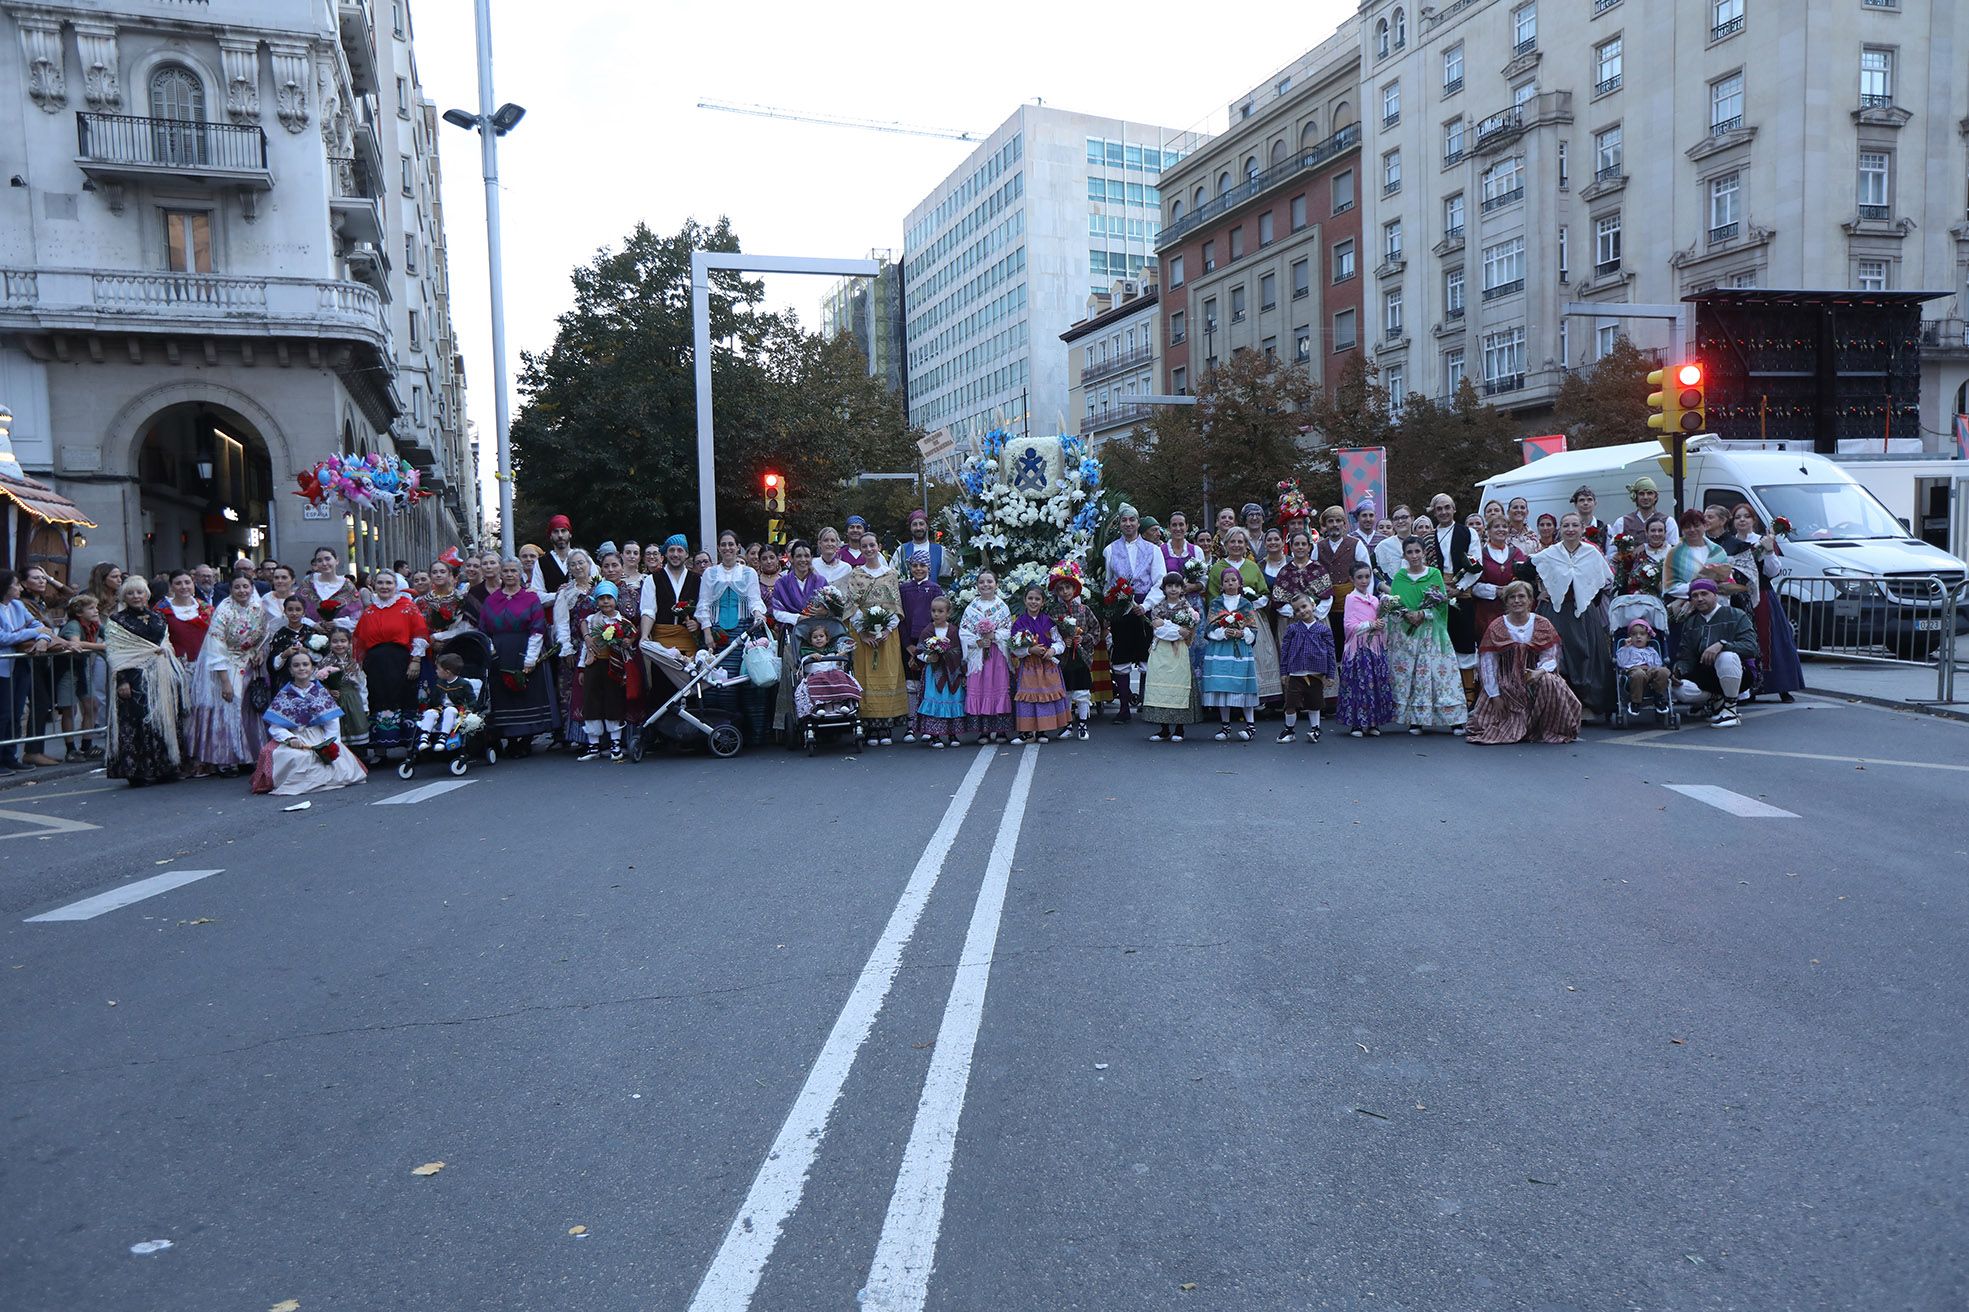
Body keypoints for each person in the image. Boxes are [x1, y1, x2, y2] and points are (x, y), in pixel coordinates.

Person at [1466, 580, 1583, 745]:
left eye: (1521, 596)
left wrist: (1539, 672)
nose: (1517, 600)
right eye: (1512, 597)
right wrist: (1494, 696)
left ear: (1530, 600)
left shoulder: (1542, 624)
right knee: (1486, 724)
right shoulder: (1497, 626)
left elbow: (1551, 656)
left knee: (1549, 681)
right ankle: (1519, 723)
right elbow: (1488, 664)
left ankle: (1546, 725)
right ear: (1506, 601)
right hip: (1507, 680)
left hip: (1535, 677)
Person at [102, 577, 186, 786]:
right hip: (134, 677)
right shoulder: (117, 620)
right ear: (124, 597)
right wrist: (122, 681)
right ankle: (138, 772)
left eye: (139, 592)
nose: (136, 597)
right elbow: (116, 653)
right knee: (137, 721)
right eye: (130, 593)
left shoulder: (157, 617)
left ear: (146, 594)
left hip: (161, 675)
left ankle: (166, 767)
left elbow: (166, 643)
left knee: (163, 720)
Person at [1531, 511, 1617, 715]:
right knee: (1557, 656)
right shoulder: (1550, 553)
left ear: (1582, 529)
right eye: (1566, 525)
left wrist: (1588, 590)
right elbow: (1525, 569)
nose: (1570, 529)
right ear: (1560, 529)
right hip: (1556, 611)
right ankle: (1558, 703)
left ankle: (1587, 703)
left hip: (1584, 612)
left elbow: (1607, 579)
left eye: (1574, 525)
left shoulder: (1592, 553)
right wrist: (1539, 592)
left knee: (1587, 654)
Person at [251, 648, 368, 795]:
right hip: (295, 737)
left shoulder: (320, 692)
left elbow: (332, 721)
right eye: (296, 665)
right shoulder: (285, 694)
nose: (301, 668)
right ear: (291, 670)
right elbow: (275, 727)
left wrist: (330, 743)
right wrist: (290, 738)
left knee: (335, 761)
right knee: (296, 757)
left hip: (319, 736)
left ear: (312, 668)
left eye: (305, 664)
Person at [185, 572, 268, 777]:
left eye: (245, 587)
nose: (242, 591)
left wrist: (259, 652)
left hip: (249, 662)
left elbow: (264, 636)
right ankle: (226, 758)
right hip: (226, 663)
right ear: (230, 589)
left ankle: (248, 755)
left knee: (249, 709)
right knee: (228, 707)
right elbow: (215, 646)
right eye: (237, 587)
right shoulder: (223, 610)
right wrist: (224, 682)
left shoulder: (258, 608)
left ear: (251, 588)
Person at [1386, 538, 1468, 735]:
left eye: (1417, 551)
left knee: (1440, 675)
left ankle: (1454, 720)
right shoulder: (1400, 578)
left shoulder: (1434, 574)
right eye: (1409, 552)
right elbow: (1393, 603)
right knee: (1411, 675)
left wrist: (1423, 614)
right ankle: (1415, 720)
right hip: (1407, 635)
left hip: (1432, 632)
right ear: (1404, 555)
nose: (1414, 556)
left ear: (1423, 553)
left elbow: (1441, 604)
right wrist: (1406, 614)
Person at [352, 567, 430, 763]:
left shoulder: (408, 607)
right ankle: (380, 750)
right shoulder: (369, 611)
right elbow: (359, 640)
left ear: (396, 586)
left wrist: (416, 660)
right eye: (380, 583)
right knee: (377, 701)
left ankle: (410, 746)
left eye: (389, 583)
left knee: (405, 700)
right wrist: (360, 665)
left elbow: (420, 633)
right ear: (374, 586)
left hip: (401, 661)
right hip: (376, 665)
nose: (384, 586)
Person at [1732, 502, 1804, 701]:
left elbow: (1773, 572)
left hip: (1762, 595)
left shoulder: (1762, 541)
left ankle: (1782, 686)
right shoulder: (1730, 544)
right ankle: (1748, 686)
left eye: (1746, 516)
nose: (1742, 520)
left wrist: (1769, 550)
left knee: (1771, 641)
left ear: (1753, 520)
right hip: (1739, 596)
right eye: (1738, 517)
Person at [483, 558, 551, 755]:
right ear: (501, 574)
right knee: (504, 696)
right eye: (506, 571)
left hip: (524, 650)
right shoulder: (491, 600)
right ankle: (511, 739)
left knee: (527, 694)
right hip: (500, 654)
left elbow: (538, 629)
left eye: (514, 570)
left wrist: (530, 659)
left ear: (520, 573)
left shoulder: (530, 599)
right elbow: (484, 629)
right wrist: (492, 652)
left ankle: (526, 740)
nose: (510, 574)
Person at [843, 532, 905, 743]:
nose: (869, 549)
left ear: (878, 546)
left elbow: (896, 604)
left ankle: (886, 727)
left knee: (887, 675)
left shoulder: (891, 574)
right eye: (864, 546)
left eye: (872, 545)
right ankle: (869, 726)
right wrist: (863, 630)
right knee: (865, 677)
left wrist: (887, 629)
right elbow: (851, 604)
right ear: (860, 549)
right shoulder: (856, 574)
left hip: (888, 634)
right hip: (864, 636)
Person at [1102, 504, 1160, 723]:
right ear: (1119, 523)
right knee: (1122, 656)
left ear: (1138, 522)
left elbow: (1159, 580)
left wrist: (1146, 606)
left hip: (1144, 607)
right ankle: (1124, 707)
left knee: (1147, 655)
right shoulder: (1109, 550)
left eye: (1132, 520)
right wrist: (1111, 607)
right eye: (1124, 520)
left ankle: (1148, 704)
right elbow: (1107, 583)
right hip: (1121, 609)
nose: (1128, 524)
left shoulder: (1153, 550)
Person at [1419, 493, 1479, 703]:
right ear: (1434, 512)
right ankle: (1443, 694)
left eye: (1447, 507)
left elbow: (1476, 566)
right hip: (1436, 593)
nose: (1443, 512)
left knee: (1464, 642)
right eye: (1439, 509)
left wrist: (1459, 587)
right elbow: (1422, 566)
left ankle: (1468, 694)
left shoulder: (1468, 533)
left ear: (1454, 509)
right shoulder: (1427, 538)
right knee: (1439, 645)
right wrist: (1438, 588)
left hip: (1462, 593)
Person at [1211, 527, 1281, 706]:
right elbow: (1212, 598)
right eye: (1232, 542)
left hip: (1251, 619)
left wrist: (1250, 603)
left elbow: (1264, 593)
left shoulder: (1252, 566)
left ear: (1246, 545)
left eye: (1240, 542)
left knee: (1255, 658)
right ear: (1226, 544)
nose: (1236, 545)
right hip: (1224, 621)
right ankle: (1229, 700)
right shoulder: (1217, 568)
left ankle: (1256, 700)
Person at [1674, 579, 1757, 728]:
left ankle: (1730, 710)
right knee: (1678, 689)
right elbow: (1686, 657)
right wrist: (1677, 672)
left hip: (1738, 673)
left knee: (1727, 657)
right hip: (1705, 676)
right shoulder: (1691, 622)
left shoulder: (1736, 615)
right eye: (1695, 595)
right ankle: (1716, 698)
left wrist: (1722, 645)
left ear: (1715, 595)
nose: (1699, 599)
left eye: (1704, 594)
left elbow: (1751, 648)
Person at [769, 541, 829, 743]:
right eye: (799, 556)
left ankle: (825, 713)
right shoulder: (782, 583)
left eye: (807, 555)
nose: (803, 559)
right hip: (792, 635)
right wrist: (798, 619)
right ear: (791, 558)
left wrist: (823, 612)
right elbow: (776, 611)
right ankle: (792, 721)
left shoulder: (820, 581)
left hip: (818, 635)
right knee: (792, 676)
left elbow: (832, 609)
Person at [577, 581, 638, 761]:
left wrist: (628, 643)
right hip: (594, 665)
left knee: (614, 701)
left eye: (609, 598)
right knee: (591, 701)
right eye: (601, 598)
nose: (605, 602)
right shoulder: (591, 621)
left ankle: (615, 745)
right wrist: (582, 668)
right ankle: (593, 745)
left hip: (614, 666)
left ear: (616, 600)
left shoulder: (623, 623)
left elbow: (630, 646)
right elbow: (585, 647)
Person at [1200, 564, 1260, 741]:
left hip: (1240, 649)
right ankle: (1225, 726)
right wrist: (1222, 632)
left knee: (1243, 687)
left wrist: (1242, 633)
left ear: (1240, 583)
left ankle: (1250, 725)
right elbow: (1210, 627)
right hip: (1220, 649)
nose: (1230, 583)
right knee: (1222, 687)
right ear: (1222, 585)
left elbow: (1253, 628)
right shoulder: (1216, 603)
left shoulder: (1245, 603)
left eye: (1233, 580)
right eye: (1226, 581)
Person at [1141, 570, 1200, 742]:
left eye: (1176, 586)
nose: (1173, 589)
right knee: (1162, 687)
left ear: (1182, 588)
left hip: (1179, 652)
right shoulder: (1158, 607)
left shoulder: (1187, 608)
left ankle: (1179, 729)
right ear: (1164, 588)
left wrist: (1169, 627)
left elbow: (1186, 632)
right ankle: (1164, 728)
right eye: (1169, 586)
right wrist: (1174, 628)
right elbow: (1159, 631)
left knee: (1179, 684)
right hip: (1161, 651)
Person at [1338, 562, 1395, 737]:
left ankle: (1373, 722)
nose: (1364, 581)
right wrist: (1370, 625)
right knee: (1358, 685)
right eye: (1359, 577)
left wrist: (1380, 626)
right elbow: (1349, 626)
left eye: (1367, 577)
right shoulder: (1351, 599)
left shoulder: (1375, 600)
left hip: (1374, 647)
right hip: (1358, 648)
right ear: (1352, 579)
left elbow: (1380, 622)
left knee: (1375, 683)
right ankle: (1357, 723)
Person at [1009, 585, 1070, 744]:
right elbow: (1014, 648)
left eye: (1037, 599)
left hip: (1047, 666)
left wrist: (1052, 651)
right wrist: (1030, 650)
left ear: (1043, 602)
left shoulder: (1049, 621)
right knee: (1028, 698)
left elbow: (1060, 642)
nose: (1033, 602)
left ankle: (1043, 731)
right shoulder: (1019, 622)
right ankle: (1026, 732)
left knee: (1045, 698)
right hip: (1029, 666)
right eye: (1030, 598)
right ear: (1025, 600)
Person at [960, 570, 1014, 743]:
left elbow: (1008, 630)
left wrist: (994, 635)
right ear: (977, 586)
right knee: (980, 688)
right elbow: (964, 631)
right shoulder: (971, 608)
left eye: (989, 581)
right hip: (978, 655)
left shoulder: (1002, 607)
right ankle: (983, 730)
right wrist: (977, 641)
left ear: (996, 584)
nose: (985, 585)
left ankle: (1001, 730)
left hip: (997, 654)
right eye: (982, 582)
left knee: (998, 686)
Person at [1048, 563, 1100, 741]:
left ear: (1075, 588)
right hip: (1064, 658)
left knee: (1082, 691)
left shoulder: (1084, 610)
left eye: (1068, 587)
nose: (1065, 592)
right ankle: (1068, 724)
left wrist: (1082, 639)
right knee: (1067, 691)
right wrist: (1063, 641)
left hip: (1081, 657)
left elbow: (1096, 631)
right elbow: (1049, 634)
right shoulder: (1053, 612)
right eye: (1060, 589)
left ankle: (1083, 724)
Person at [1277, 584, 1335, 743]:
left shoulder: (1323, 630)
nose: (1302, 611)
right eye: (1297, 610)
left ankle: (1315, 729)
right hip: (1296, 673)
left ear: (1312, 605)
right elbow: (1285, 652)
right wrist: (1284, 672)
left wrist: (1330, 674)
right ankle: (1289, 730)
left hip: (1315, 674)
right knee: (1291, 703)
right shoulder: (1292, 629)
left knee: (1314, 703)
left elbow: (1331, 653)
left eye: (1304, 606)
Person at [911, 595, 967, 747]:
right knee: (935, 699)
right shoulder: (928, 631)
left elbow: (960, 652)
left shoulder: (954, 631)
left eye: (940, 611)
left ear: (948, 613)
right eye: (933, 611)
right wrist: (929, 658)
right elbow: (919, 651)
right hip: (933, 673)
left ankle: (952, 733)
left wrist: (962, 671)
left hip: (952, 673)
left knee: (952, 700)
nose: (936, 614)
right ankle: (934, 735)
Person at [899, 554, 944, 741]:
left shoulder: (934, 589)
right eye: (915, 565)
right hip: (909, 643)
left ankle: (926, 724)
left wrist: (929, 645)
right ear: (910, 567)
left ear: (929, 568)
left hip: (928, 645)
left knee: (927, 684)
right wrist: (907, 644)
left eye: (922, 565)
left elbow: (939, 617)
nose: (918, 569)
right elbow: (899, 618)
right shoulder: (903, 589)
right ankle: (910, 724)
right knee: (911, 684)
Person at [57, 593, 105, 757]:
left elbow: (111, 637)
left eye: (96, 607)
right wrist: (100, 647)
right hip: (67, 670)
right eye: (91, 608)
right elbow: (74, 643)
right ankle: (71, 749)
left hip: (83, 668)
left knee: (92, 706)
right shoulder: (74, 625)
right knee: (69, 709)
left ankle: (87, 745)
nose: (96, 611)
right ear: (79, 612)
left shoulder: (94, 625)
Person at [638, 535, 701, 657]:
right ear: (665, 554)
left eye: (680, 550)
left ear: (687, 554)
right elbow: (648, 611)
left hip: (688, 642)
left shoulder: (698, 580)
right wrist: (645, 635)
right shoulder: (652, 580)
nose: (675, 554)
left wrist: (697, 623)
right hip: (661, 644)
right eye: (671, 550)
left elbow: (703, 608)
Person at [1469, 519, 1531, 637]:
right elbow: (1473, 585)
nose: (1501, 529)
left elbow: (1525, 579)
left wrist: (1511, 590)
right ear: (1488, 531)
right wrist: (1496, 591)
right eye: (1496, 526)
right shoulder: (1479, 555)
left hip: (1514, 609)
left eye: (1504, 527)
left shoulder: (1517, 553)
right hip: (1487, 612)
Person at [416, 652, 479, 755]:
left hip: (456, 710)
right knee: (430, 713)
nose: (436, 671)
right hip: (440, 709)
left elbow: (472, 700)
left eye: (438, 669)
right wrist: (429, 707)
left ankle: (443, 737)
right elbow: (433, 699)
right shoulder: (440, 683)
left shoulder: (463, 684)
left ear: (447, 672)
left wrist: (470, 709)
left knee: (450, 710)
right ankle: (424, 738)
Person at [320, 627, 369, 755]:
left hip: (353, 699)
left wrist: (364, 705)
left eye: (343, 641)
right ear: (329, 643)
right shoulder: (325, 662)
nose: (339, 644)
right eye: (335, 641)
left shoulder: (354, 662)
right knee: (339, 729)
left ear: (349, 643)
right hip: (335, 701)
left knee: (357, 725)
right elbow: (317, 683)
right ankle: (343, 758)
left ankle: (361, 757)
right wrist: (328, 691)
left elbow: (361, 684)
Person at [1616, 619, 1673, 720]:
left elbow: (1658, 665)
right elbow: (1621, 663)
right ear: (1630, 637)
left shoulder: (1651, 650)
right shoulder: (1628, 649)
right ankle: (1635, 702)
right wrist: (1625, 647)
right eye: (1634, 634)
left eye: (1642, 634)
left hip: (1650, 671)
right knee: (1638, 674)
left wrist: (1656, 669)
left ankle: (1659, 697)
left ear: (1648, 637)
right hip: (1634, 670)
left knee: (1663, 671)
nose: (1638, 636)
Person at [156, 569, 213, 663]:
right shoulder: (161, 610)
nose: (184, 586)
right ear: (171, 586)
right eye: (178, 583)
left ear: (193, 583)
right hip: (174, 665)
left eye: (187, 582)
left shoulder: (206, 609)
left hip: (204, 663)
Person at [301, 547, 362, 632]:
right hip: (312, 636)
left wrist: (337, 623)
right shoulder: (308, 582)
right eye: (319, 561)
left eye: (327, 559)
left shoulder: (347, 586)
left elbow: (356, 615)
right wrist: (313, 625)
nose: (324, 563)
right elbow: (297, 609)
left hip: (340, 638)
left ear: (336, 560)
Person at [1613, 476, 1679, 546]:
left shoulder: (1668, 522)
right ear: (1635, 496)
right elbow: (1612, 552)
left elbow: (1673, 550)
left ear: (1655, 497)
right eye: (1641, 494)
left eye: (1649, 493)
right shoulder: (1622, 522)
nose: (1645, 497)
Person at [890, 508, 950, 579]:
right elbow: (892, 575)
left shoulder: (940, 550)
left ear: (927, 526)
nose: (918, 528)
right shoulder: (901, 550)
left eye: (921, 524)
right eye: (915, 524)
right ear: (910, 528)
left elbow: (945, 578)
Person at [530, 514, 576, 596]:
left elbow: (594, 586)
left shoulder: (583, 559)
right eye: (556, 531)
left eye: (563, 531)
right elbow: (537, 594)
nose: (560, 535)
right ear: (550, 536)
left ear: (570, 534)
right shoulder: (542, 562)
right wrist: (558, 595)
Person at [1571, 485, 1612, 553]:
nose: (1586, 503)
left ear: (1595, 503)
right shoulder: (1569, 528)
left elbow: (1609, 554)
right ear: (1575, 504)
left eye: (1589, 499)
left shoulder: (1606, 529)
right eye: (1582, 500)